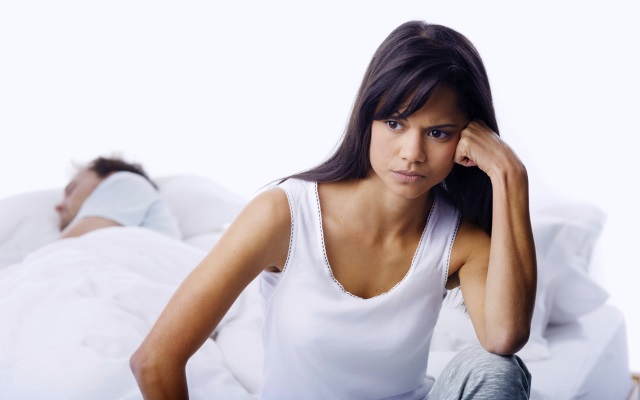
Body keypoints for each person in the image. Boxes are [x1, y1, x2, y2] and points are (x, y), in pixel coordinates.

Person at [131, 20, 536, 399]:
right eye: (395, 124)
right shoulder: (284, 214)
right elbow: (154, 360)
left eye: (437, 132)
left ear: (467, 138)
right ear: (368, 119)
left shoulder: (460, 239)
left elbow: (503, 338)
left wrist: (510, 176)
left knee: (496, 369)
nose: (412, 154)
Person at [55, 156, 181, 240]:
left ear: (110, 178)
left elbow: (63, 249)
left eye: (71, 190)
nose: (58, 206)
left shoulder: (127, 181)